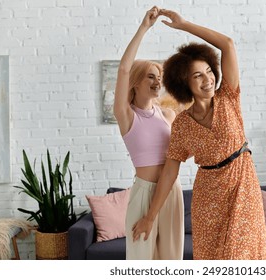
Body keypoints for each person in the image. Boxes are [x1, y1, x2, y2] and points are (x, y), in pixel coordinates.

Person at [132, 9, 266, 260]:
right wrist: (150, 217)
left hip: (242, 185)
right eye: (197, 75)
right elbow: (169, 171)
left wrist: (184, 25)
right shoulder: (182, 124)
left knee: (241, 257)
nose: (207, 79)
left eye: (208, 71)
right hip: (207, 197)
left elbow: (227, 44)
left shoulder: (228, 96)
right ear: (185, 83)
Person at [113, 6, 184, 260]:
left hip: (172, 191)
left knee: (172, 262)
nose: (158, 82)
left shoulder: (169, 115)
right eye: (151, 77)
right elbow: (123, 69)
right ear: (136, 82)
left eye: (160, 77)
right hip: (143, 194)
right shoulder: (126, 115)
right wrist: (145, 27)